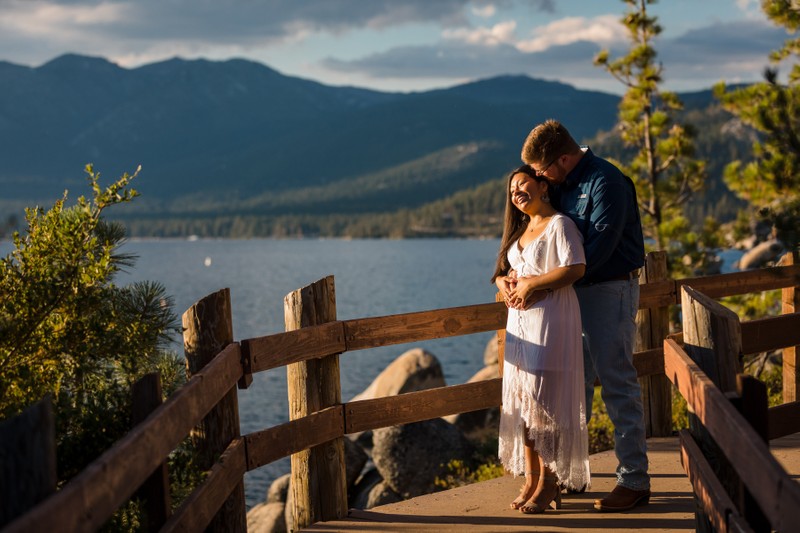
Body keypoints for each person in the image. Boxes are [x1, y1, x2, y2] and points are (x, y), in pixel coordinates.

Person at [518, 119, 650, 512]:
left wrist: (540, 283)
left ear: (562, 158)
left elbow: (599, 250)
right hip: (571, 296)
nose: (540, 178)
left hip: (609, 290)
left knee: (616, 381)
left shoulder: (606, 181)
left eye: (542, 170)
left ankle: (635, 481)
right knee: (571, 389)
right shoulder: (561, 182)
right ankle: (570, 475)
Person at [492, 164, 590, 514]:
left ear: (542, 186)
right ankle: (533, 478)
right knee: (524, 404)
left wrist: (533, 284)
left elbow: (576, 267)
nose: (517, 192)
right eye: (511, 189)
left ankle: (551, 482)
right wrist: (504, 283)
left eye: (523, 184)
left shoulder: (559, 225)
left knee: (545, 405)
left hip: (551, 319)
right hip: (520, 324)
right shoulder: (522, 229)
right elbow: (507, 271)